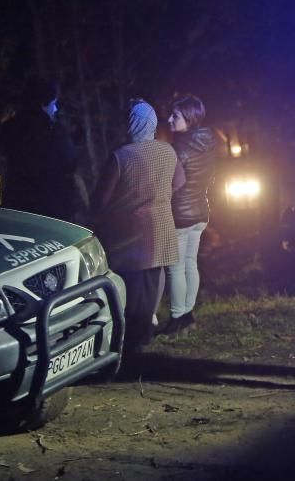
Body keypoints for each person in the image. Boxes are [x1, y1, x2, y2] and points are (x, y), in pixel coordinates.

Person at [91, 98, 184, 354]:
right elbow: (179, 182)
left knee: (129, 288)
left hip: (128, 233)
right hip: (161, 227)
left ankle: (129, 343)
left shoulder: (121, 157)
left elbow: (102, 198)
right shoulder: (168, 151)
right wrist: (161, 196)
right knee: (152, 284)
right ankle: (143, 336)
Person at [161, 94, 217, 334]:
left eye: (176, 116)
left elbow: (172, 184)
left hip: (179, 214)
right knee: (190, 264)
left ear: (189, 118)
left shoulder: (178, 148)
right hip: (201, 212)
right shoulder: (209, 143)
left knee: (175, 268)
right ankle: (188, 315)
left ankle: (177, 318)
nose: (170, 119)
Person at [0, 77, 79, 221]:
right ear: (43, 103)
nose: (55, 109)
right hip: (50, 205)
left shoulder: (9, 128)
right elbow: (70, 162)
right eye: (53, 103)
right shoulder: (54, 132)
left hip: (16, 203)